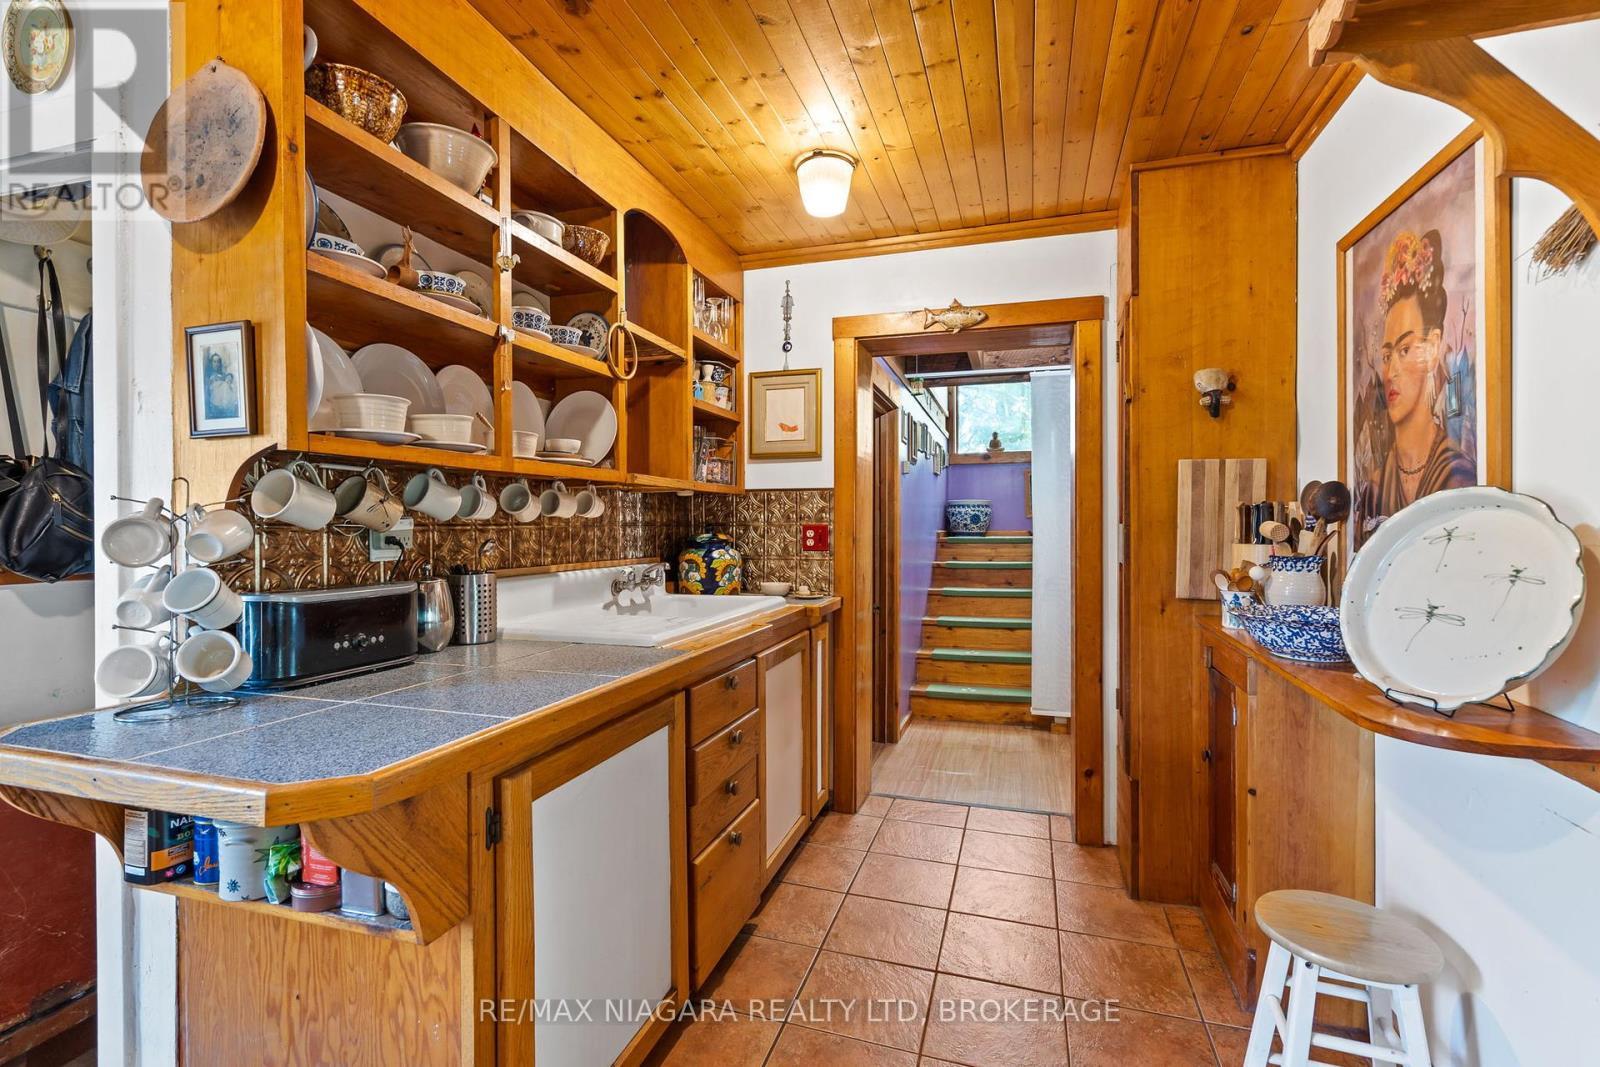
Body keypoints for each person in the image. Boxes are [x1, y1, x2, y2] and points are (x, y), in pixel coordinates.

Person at [1367, 229, 1474, 530]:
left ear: (1433, 348)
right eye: (1387, 356)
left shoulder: (1458, 475)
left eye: (1405, 349)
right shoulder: (1376, 485)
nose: (1390, 372)